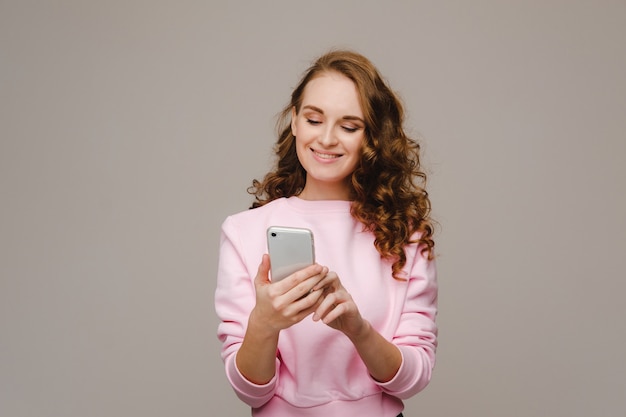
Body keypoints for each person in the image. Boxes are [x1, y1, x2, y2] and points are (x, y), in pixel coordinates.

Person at [215, 49, 438, 417]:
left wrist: (357, 329)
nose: (328, 138)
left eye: (349, 126)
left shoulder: (405, 235)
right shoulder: (243, 232)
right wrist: (264, 323)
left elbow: (413, 380)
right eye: (314, 119)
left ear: (372, 137)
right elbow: (251, 393)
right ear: (295, 122)